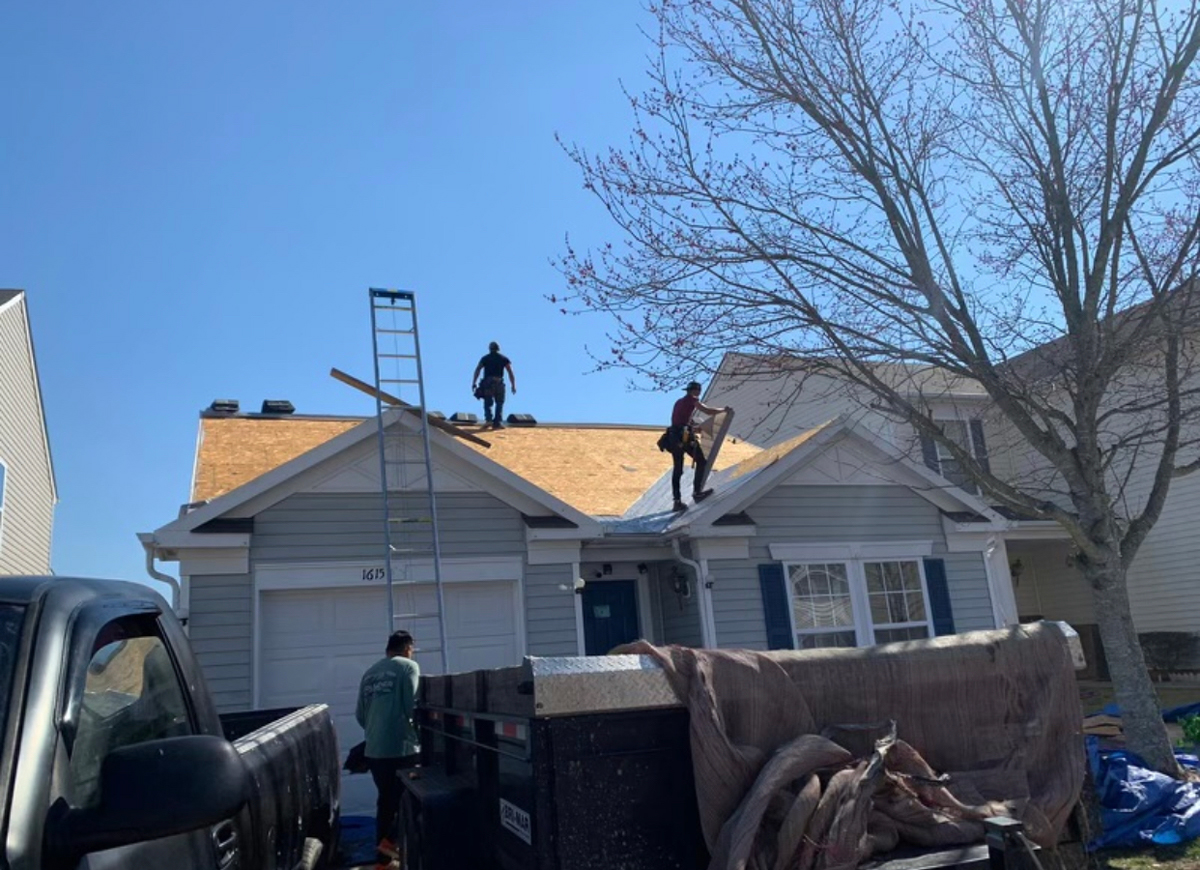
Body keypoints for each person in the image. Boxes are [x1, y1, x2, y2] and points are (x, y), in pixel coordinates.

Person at [356, 630, 421, 869]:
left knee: (386, 802)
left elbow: (360, 715)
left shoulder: (370, 673)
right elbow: (411, 707)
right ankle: (391, 841)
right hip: (403, 748)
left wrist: (376, 732)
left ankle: (382, 862)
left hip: (375, 752)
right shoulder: (408, 667)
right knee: (411, 799)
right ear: (407, 649)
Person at [664, 381, 730, 512]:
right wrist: (724, 410)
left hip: (673, 436)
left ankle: (677, 501)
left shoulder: (679, 402)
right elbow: (707, 411)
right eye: (698, 390)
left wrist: (694, 427)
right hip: (683, 436)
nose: (698, 393)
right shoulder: (692, 400)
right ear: (695, 391)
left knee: (678, 469)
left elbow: (680, 421)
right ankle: (697, 493)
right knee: (701, 461)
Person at [471, 341, 517, 429]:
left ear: (490, 349)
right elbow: (510, 372)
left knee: (488, 402)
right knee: (499, 402)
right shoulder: (503, 358)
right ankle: (497, 423)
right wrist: (513, 385)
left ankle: (489, 420)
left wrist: (474, 382)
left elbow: (478, 370)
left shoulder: (485, 358)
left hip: (488, 382)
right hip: (499, 382)